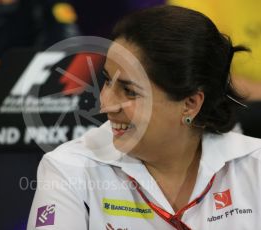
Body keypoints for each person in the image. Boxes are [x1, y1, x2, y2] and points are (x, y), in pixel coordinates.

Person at [27, 5, 261, 230]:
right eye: (107, 80)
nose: (105, 104)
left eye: (129, 91)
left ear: (190, 104)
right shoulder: (68, 169)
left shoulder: (255, 166)